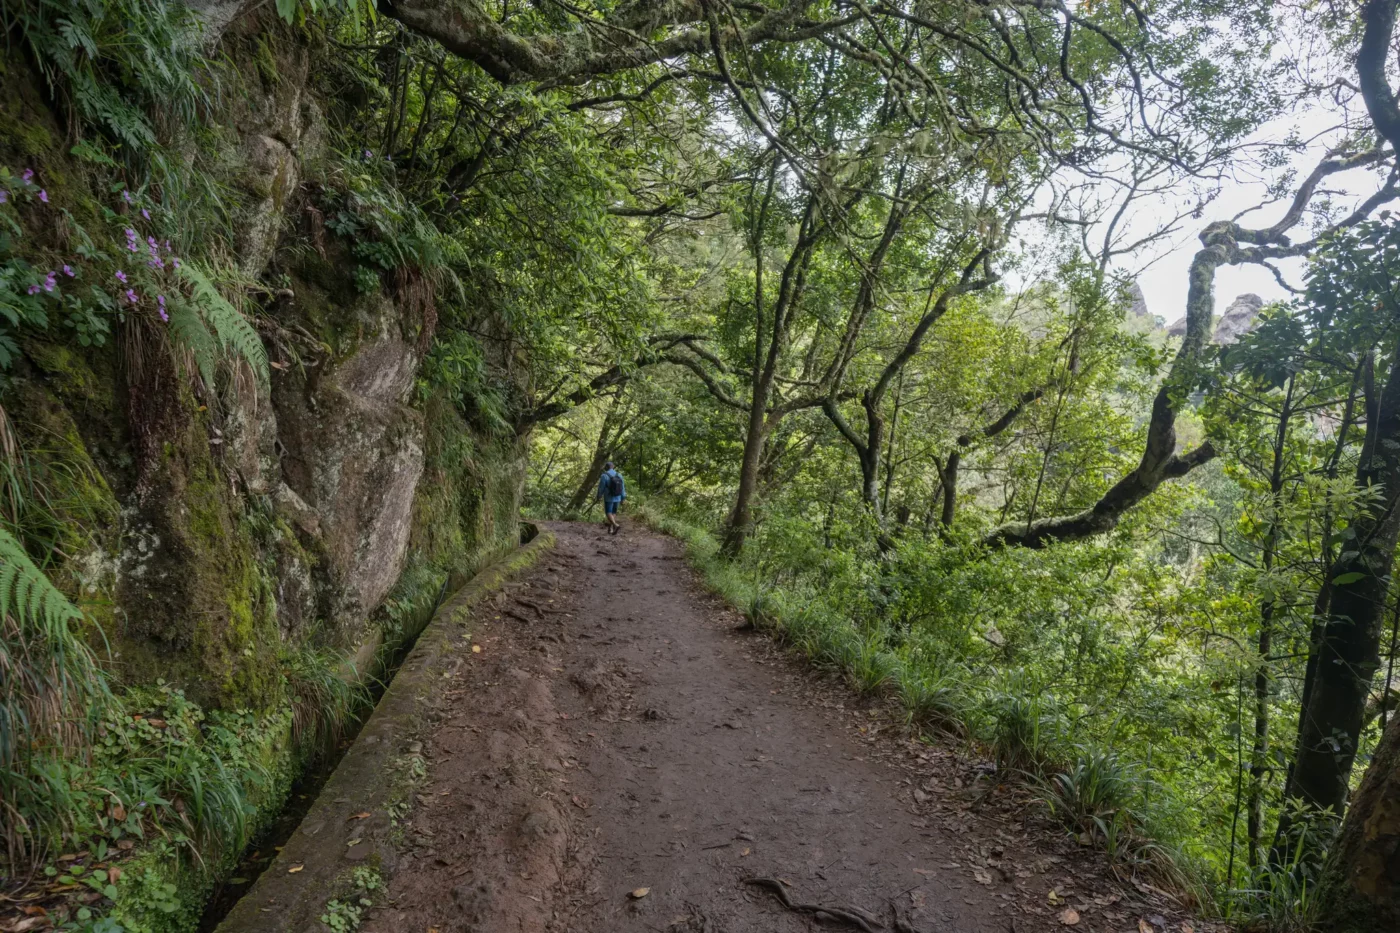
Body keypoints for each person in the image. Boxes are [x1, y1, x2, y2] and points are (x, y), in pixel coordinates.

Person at [597, 461, 626, 535]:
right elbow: (622, 487)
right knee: (613, 512)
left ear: (606, 467)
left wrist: (599, 496)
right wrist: (623, 497)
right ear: (613, 466)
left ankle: (615, 525)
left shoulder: (604, 475)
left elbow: (601, 487)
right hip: (618, 496)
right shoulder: (619, 475)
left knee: (608, 512)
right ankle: (611, 529)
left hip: (609, 496)